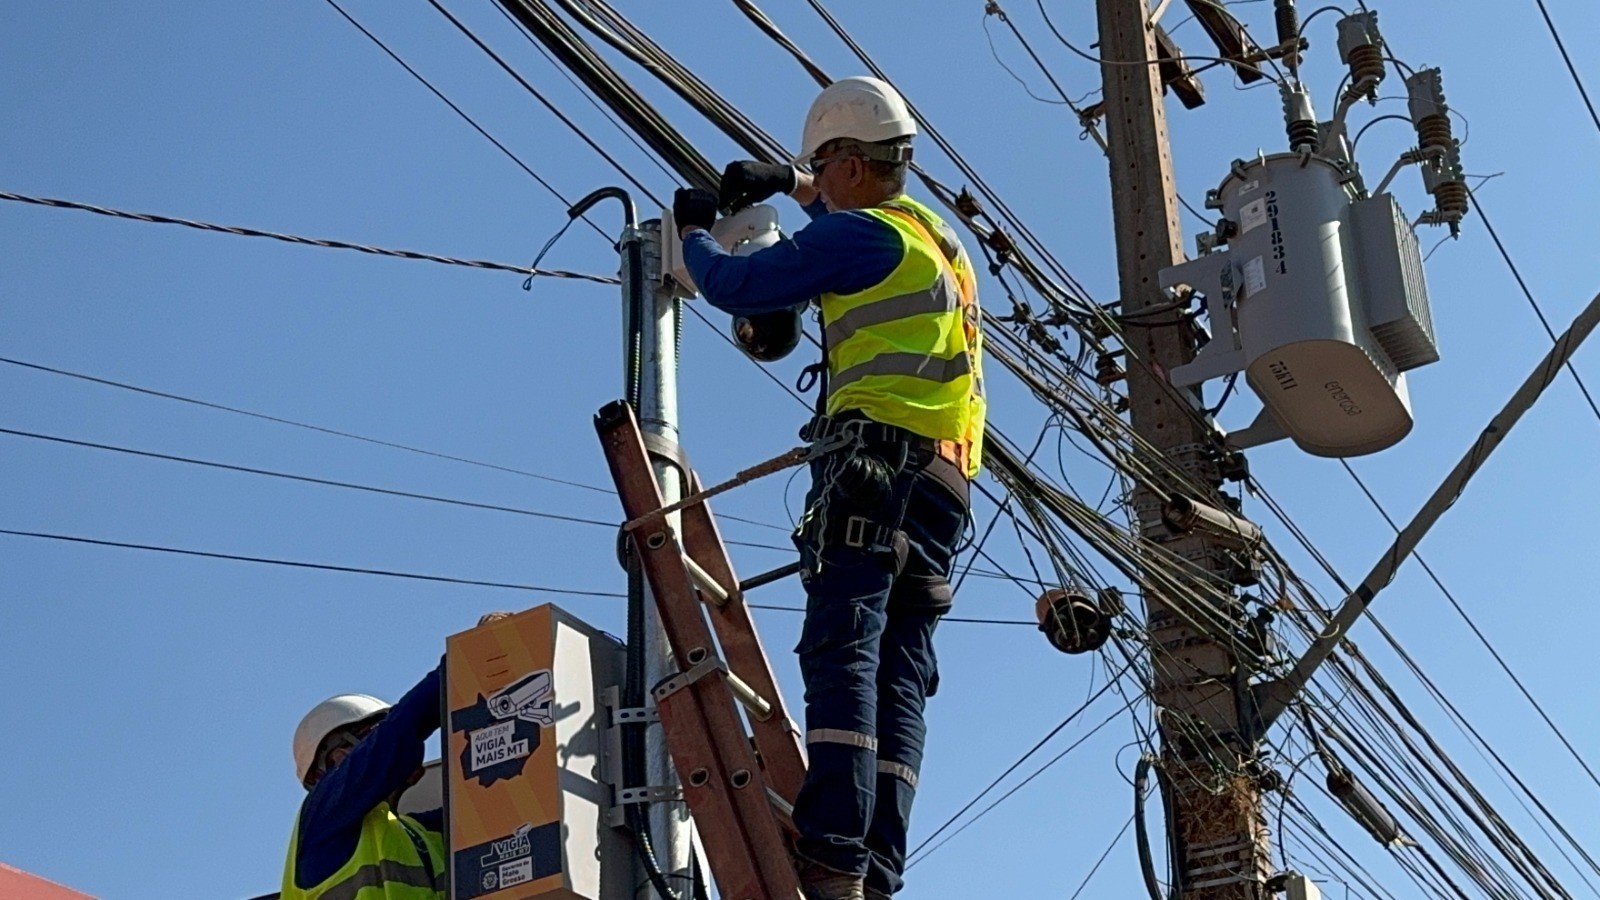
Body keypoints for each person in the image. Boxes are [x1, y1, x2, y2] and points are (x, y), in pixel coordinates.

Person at [672, 76, 985, 900]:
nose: (820, 180)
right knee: (900, 675)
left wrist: (694, 233)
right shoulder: (933, 241)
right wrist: (786, 182)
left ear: (850, 161)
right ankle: (875, 868)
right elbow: (840, 218)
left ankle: (834, 852)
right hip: (945, 488)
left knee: (843, 645)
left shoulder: (864, 239)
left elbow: (740, 287)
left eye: (823, 164)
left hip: (876, 470)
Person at [280, 668, 447, 900]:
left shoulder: (418, 835)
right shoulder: (322, 819)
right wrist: (464, 660)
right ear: (336, 759)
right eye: (374, 734)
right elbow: (404, 727)